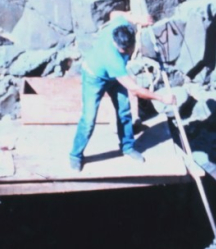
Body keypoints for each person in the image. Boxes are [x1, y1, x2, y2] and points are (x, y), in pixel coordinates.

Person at [69, 12, 175, 172]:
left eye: (126, 50)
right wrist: (162, 98)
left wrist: (140, 19)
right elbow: (135, 89)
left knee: (124, 111)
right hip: (94, 77)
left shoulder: (119, 26)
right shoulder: (114, 60)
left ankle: (127, 147)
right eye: (122, 51)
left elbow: (115, 14)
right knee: (89, 119)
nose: (125, 52)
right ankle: (75, 155)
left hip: (113, 77)